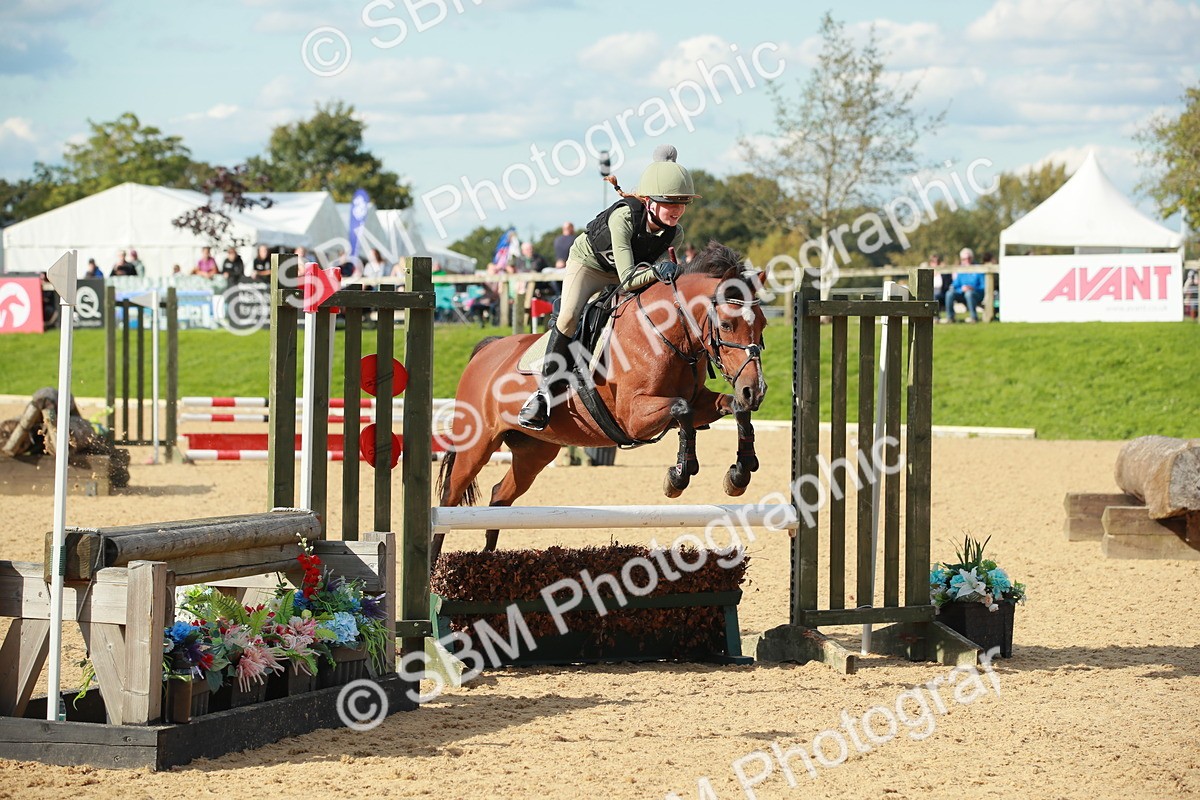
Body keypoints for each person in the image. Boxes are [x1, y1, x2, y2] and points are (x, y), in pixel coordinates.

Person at [517, 144, 697, 430]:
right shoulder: (623, 217)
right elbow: (629, 278)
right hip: (590, 266)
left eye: (682, 203)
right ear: (649, 201)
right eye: (669, 202)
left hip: (626, 272)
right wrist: (656, 271)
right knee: (568, 316)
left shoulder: (676, 233)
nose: (677, 210)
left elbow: (654, 282)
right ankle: (543, 395)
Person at [944, 247, 985, 323]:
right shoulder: (961, 270)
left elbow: (983, 286)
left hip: (976, 294)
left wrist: (972, 288)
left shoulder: (978, 269)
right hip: (962, 294)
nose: (967, 260)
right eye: (964, 259)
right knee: (949, 294)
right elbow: (955, 285)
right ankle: (950, 318)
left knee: (969, 294)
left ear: (972, 258)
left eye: (968, 258)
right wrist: (961, 289)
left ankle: (974, 317)